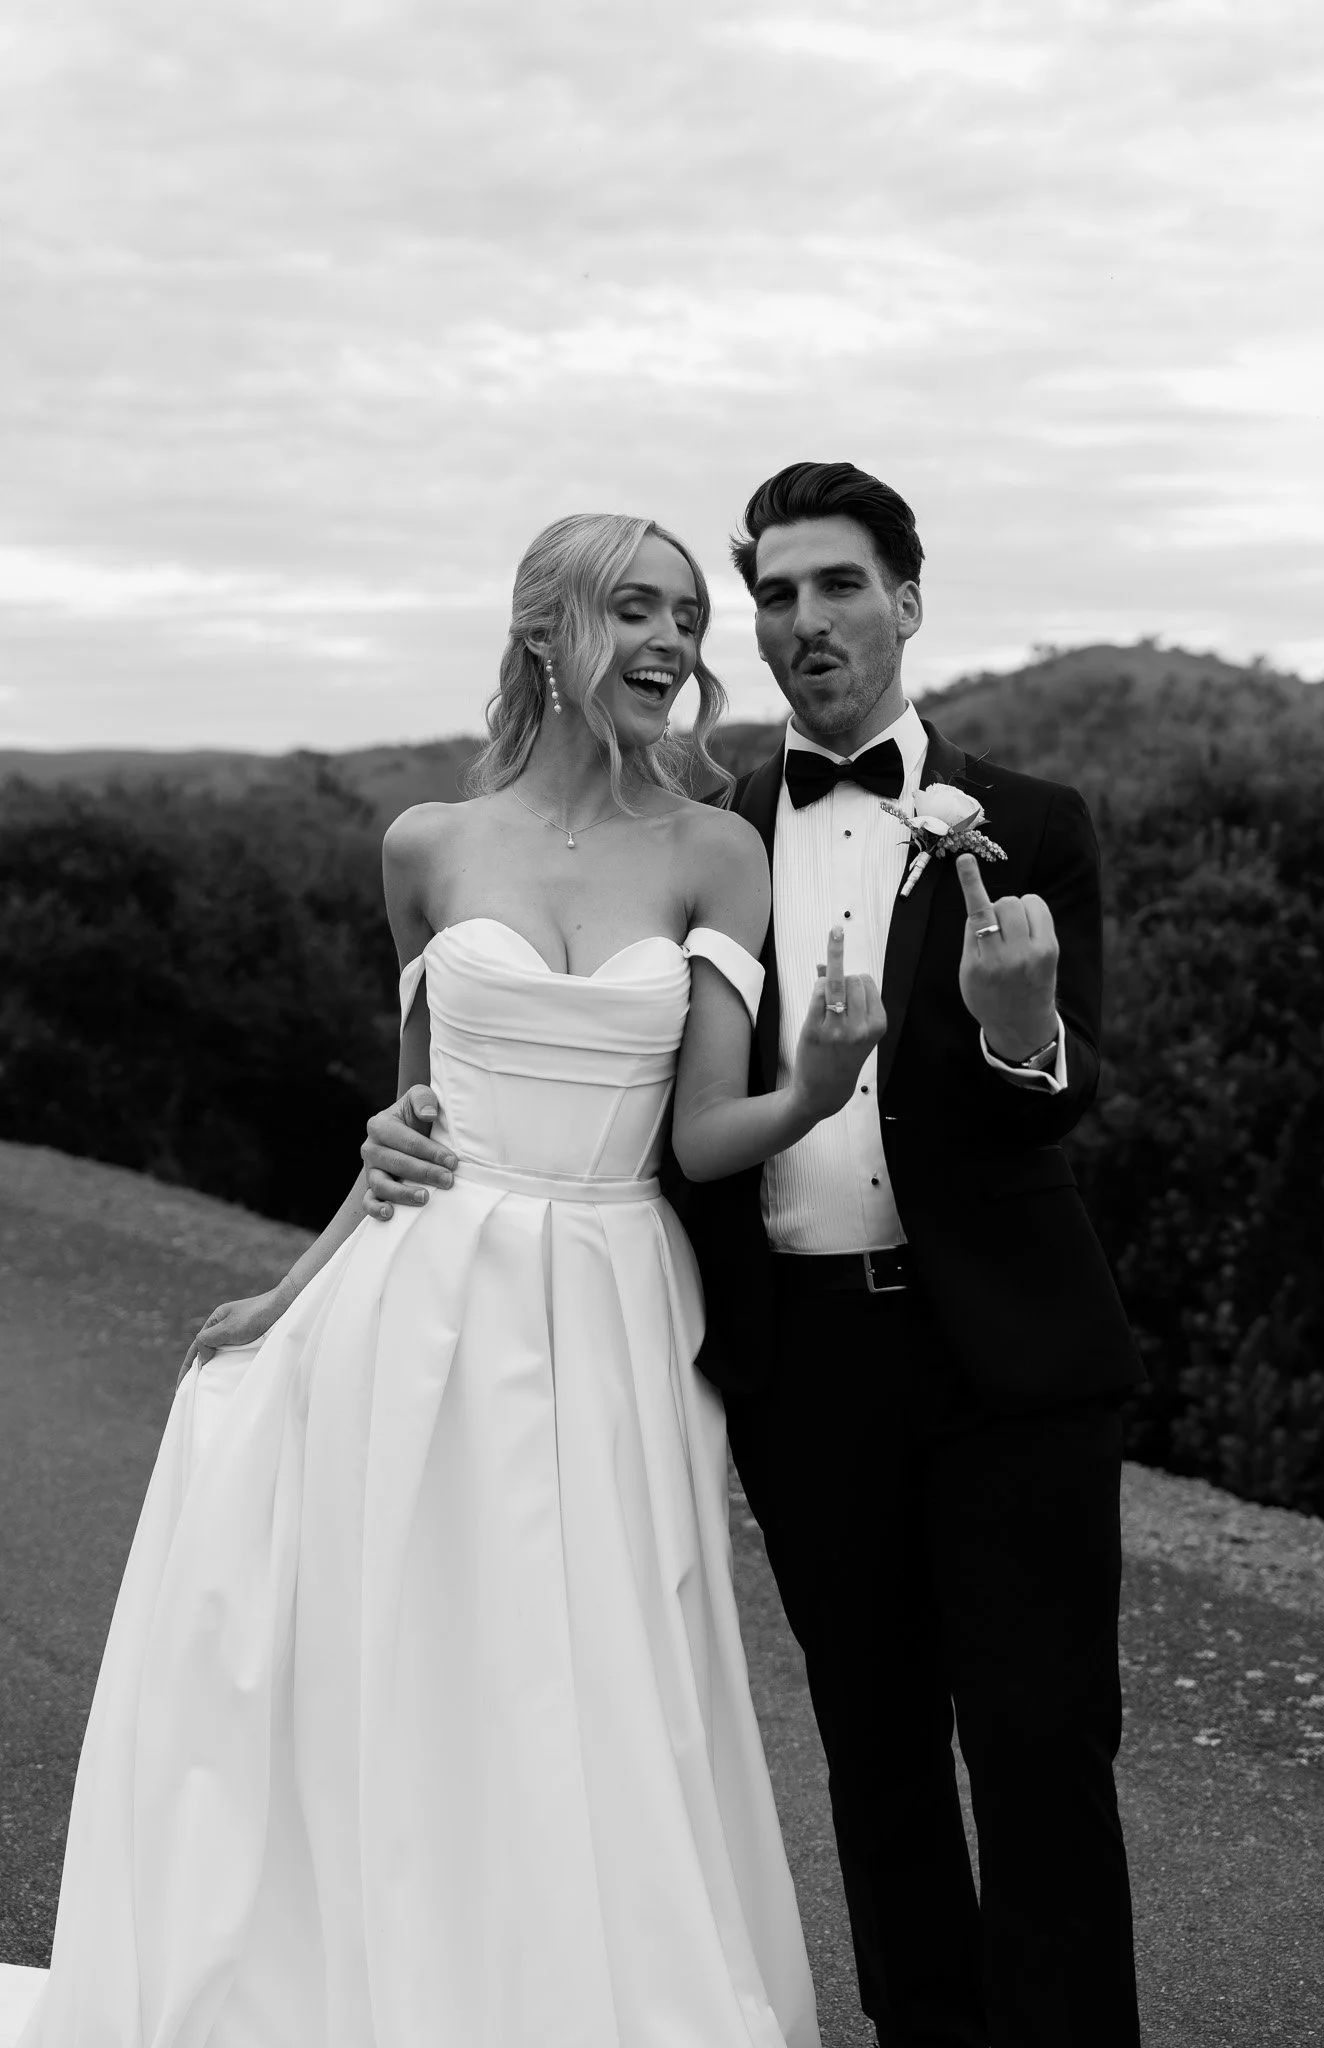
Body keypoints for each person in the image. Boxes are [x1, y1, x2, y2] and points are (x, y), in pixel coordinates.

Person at [16, 512, 891, 2048]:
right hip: (418, 1298)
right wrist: (288, 1298)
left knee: (590, 1680)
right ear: (545, 626)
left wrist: (816, 1087)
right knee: (406, 1663)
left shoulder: (717, 849)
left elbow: (701, 1131)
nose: (679, 644)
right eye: (638, 609)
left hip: (612, 1297)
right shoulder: (424, 844)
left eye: (690, 615)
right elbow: (406, 1127)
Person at [366, 464, 1146, 2048]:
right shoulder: (700, 838)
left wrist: (1019, 1033)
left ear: (908, 603)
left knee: (1042, 1745)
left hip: (1014, 1358)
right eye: (776, 595)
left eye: (838, 584)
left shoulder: (1038, 826)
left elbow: (1061, 1096)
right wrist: (405, 1136)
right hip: (804, 1360)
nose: (805, 622)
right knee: (871, 1751)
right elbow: (599, 1090)